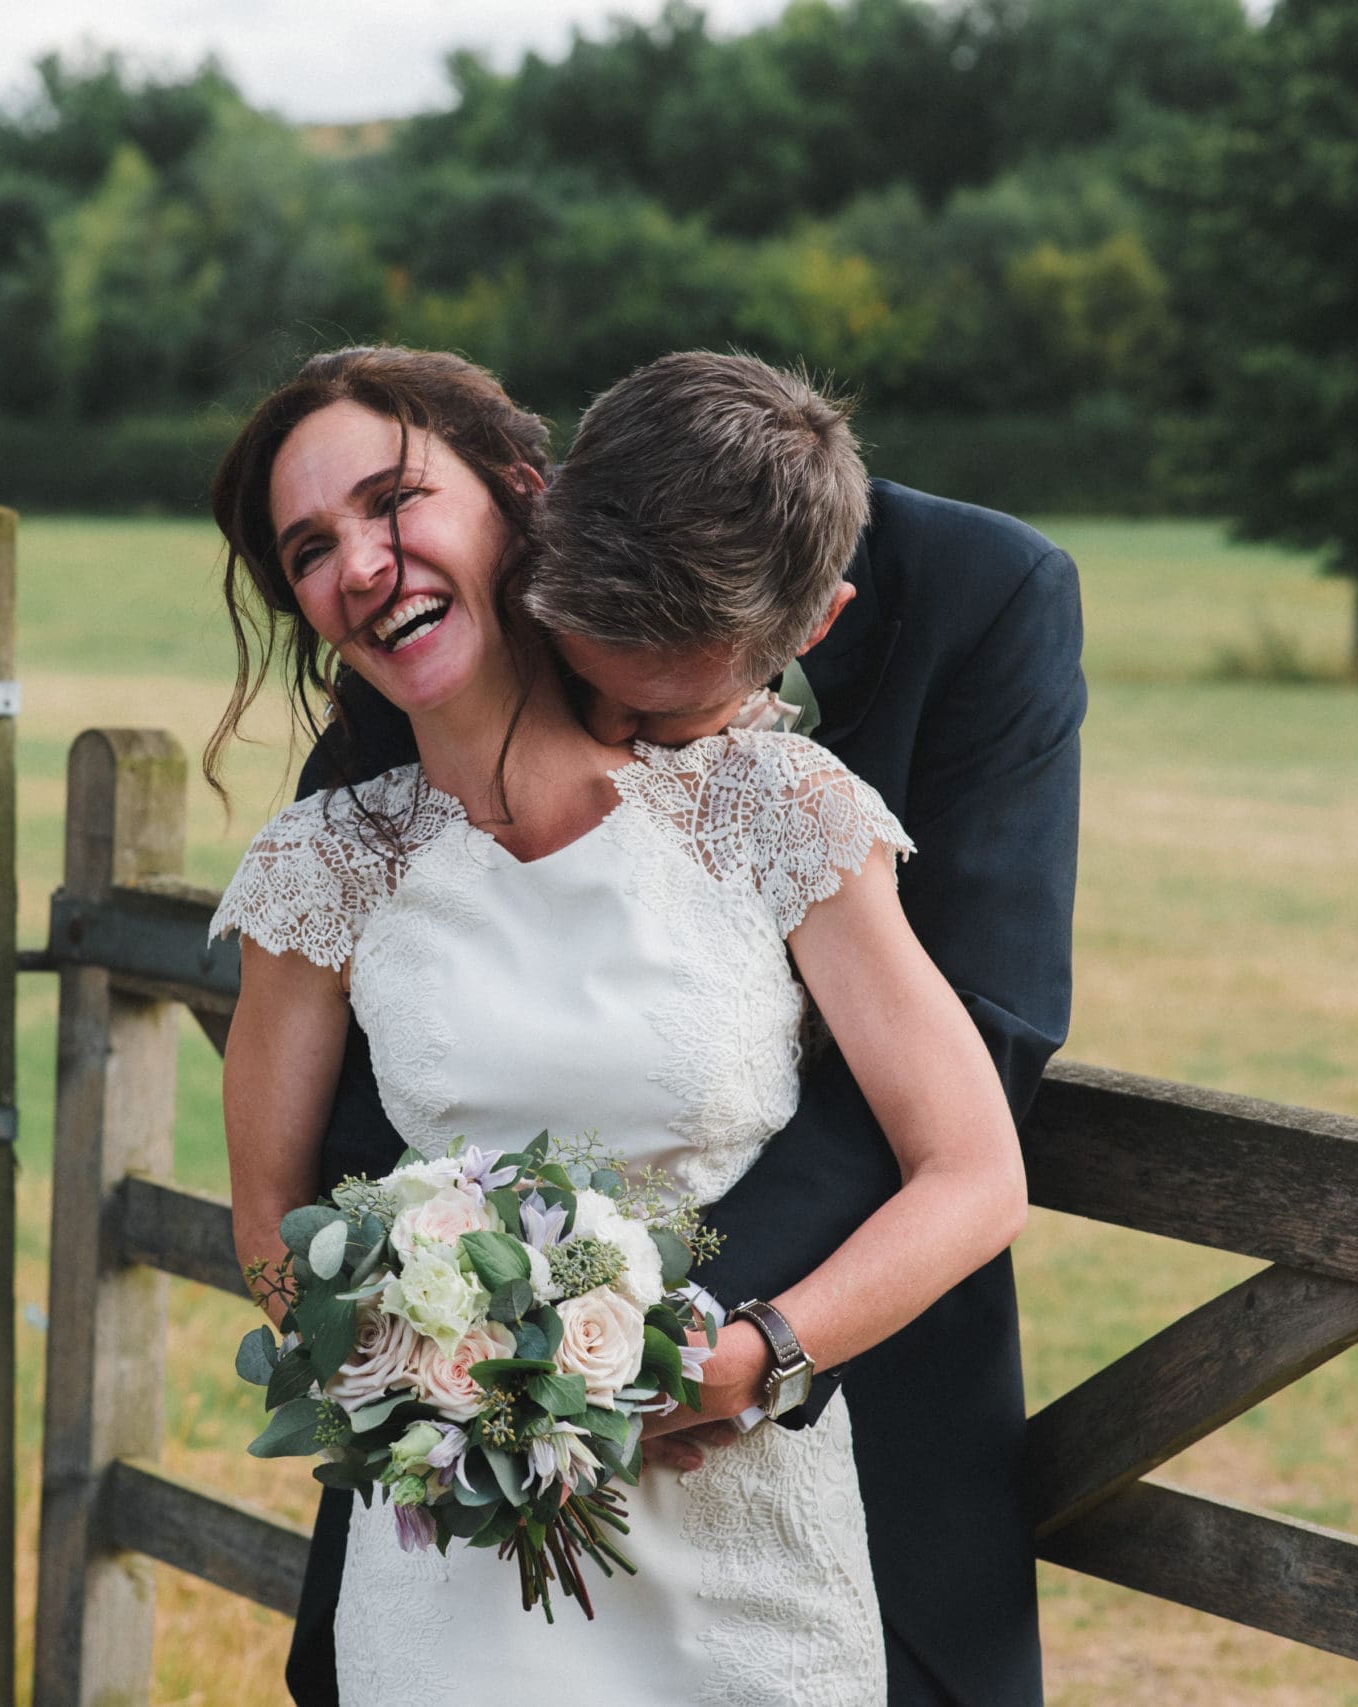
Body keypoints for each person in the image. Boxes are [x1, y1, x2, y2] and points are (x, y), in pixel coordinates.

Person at [206, 344, 1038, 1705]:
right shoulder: (323, 867)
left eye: (394, 501)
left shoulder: (774, 808)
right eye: (311, 548)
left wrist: (756, 1356)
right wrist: (456, 1389)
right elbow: (270, 1230)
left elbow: (975, 1172)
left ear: (522, 502)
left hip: (742, 1547)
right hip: (453, 1564)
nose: (358, 563)